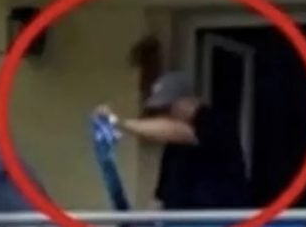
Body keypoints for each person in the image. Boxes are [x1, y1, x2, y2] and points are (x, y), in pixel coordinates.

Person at [96, 71, 249, 210]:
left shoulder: (214, 121)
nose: (164, 115)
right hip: (176, 222)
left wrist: (118, 122)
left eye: (167, 108)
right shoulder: (173, 144)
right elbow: (162, 192)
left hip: (217, 221)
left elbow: (181, 132)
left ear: (186, 102)